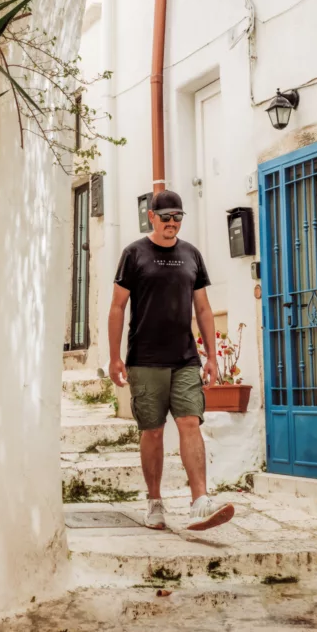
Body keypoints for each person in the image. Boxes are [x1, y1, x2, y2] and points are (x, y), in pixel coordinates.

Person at [108, 190, 234, 532]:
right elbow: (118, 306)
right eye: (166, 217)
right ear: (152, 217)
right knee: (152, 431)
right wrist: (114, 357)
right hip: (145, 359)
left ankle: (199, 502)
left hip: (185, 359)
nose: (172, 223)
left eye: (177, 217)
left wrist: (209, 356)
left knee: (190, 422)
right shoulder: (134, 254)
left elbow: (204, 308)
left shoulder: (191, 255)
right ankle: (154, 501)